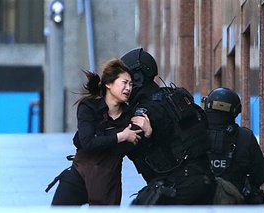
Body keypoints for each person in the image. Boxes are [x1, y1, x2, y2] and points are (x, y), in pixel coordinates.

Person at [120, 48, 216, 205]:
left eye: (125, 80)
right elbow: (204, 124)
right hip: (205, 178)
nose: (124, 86)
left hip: (177, 185)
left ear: (137, 78)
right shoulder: (177, 97)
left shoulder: (145, 111)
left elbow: (125, 144)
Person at [46, 58, 147, 205]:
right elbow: (87, 142)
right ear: (108, 84)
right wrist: (121, 136)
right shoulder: (89, 107)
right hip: (79, 175)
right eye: (124, 82)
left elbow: (130, 146)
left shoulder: (130, 115)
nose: (128, 88)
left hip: (108, 184)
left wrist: (147, 132)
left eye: (131, 84)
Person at [201, 87, 264, 204]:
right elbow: (260, 175)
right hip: (237, 204)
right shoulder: (246, 137)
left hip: (197, 203)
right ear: (236, 111)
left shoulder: (193, 134)